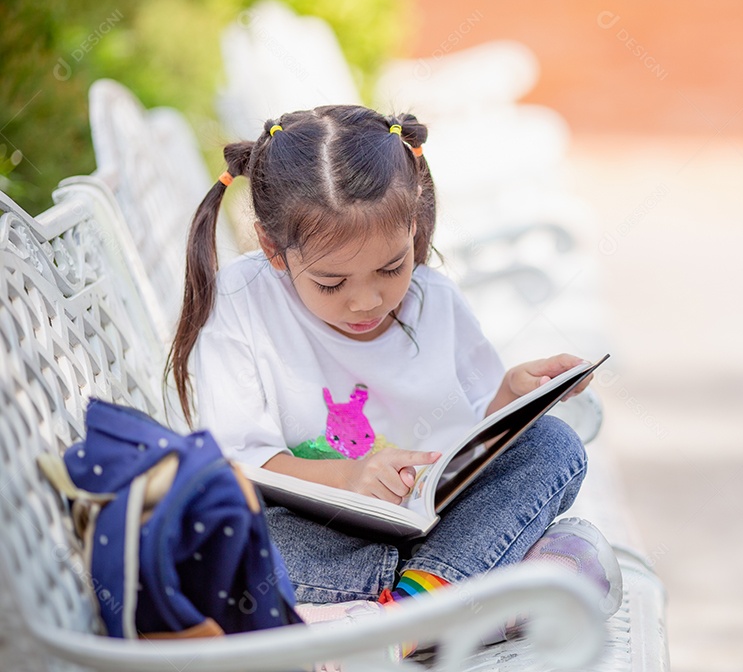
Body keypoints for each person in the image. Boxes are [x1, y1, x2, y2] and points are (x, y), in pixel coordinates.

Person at [166, 105, 622, 644]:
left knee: (554, 446)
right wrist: (349, 479)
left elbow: (471, 444)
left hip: (437, 529)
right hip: (320, 537)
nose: (367, 301)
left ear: (413, 227)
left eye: (391, 268)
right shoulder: (241, 302)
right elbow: (240, 462)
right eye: (332, 284)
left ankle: (401, 618)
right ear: (274, 250)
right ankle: (464, 595)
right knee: (208, 539)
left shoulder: (436, 301)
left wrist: (511, 396)